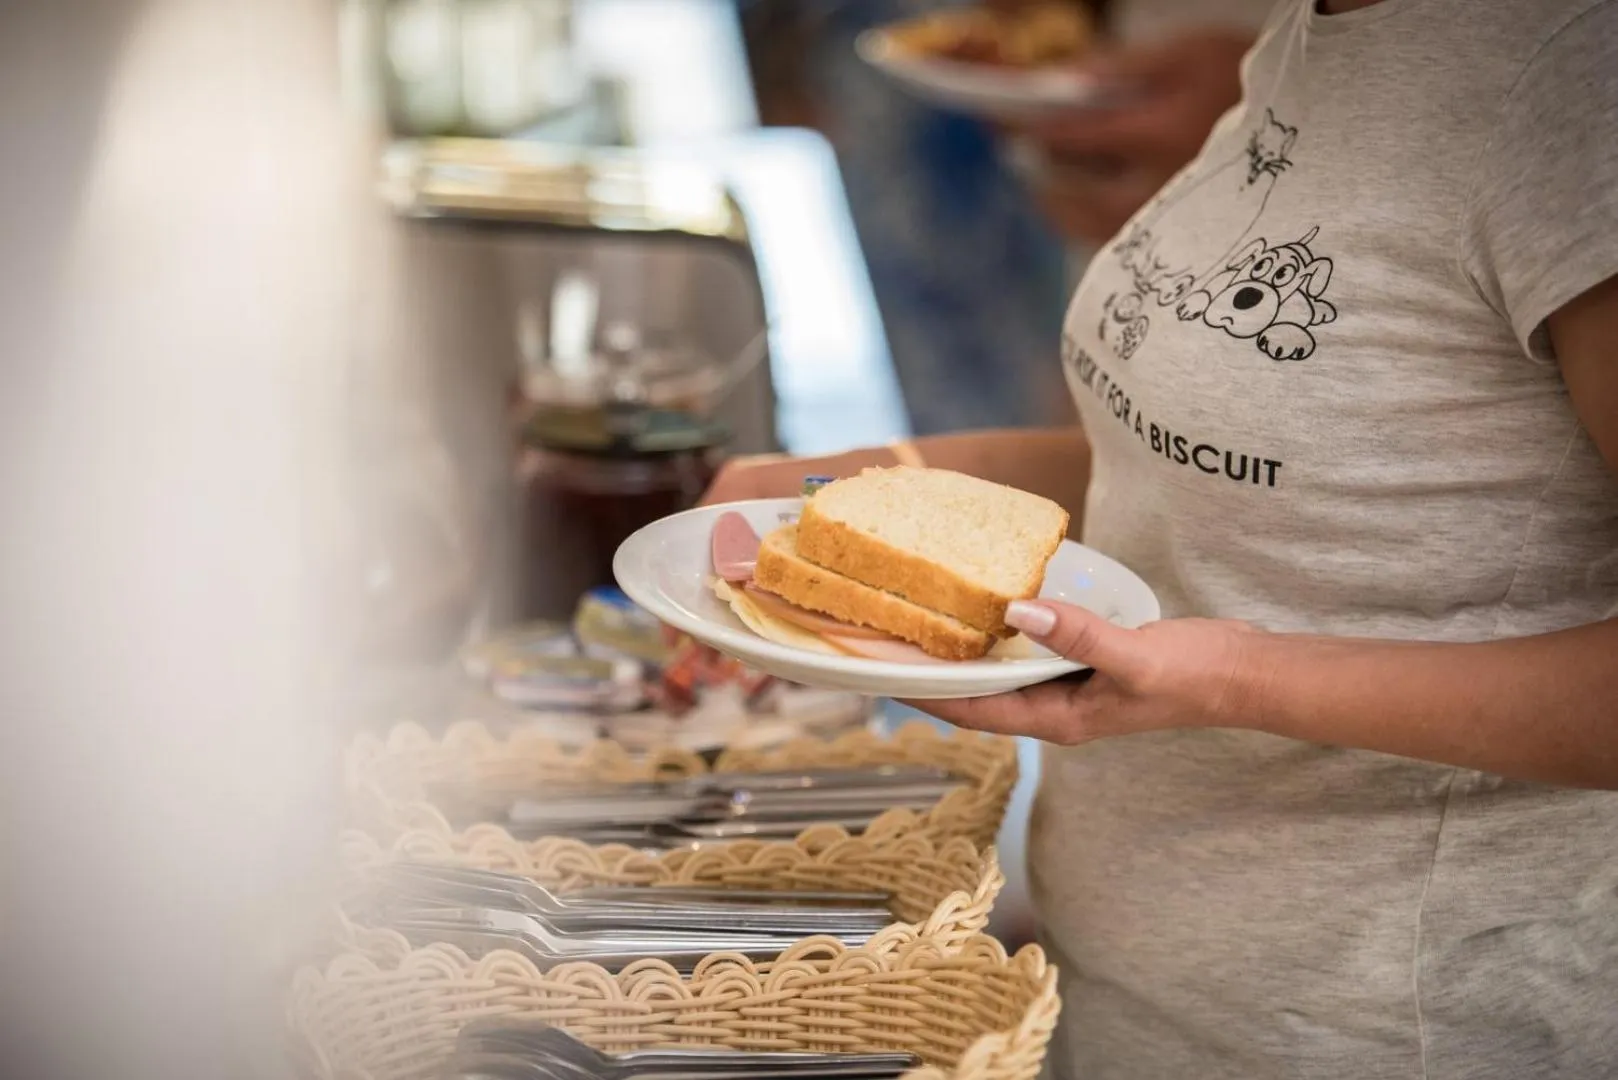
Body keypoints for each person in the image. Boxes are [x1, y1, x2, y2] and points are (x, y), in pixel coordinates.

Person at [699, 0, 1618, 1076]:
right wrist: (850, 491)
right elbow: (1197, 482)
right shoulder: (1312, 33)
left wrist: (1225, 677)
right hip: (1133, 995)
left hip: (1386, 1030)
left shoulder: (1571, 94)